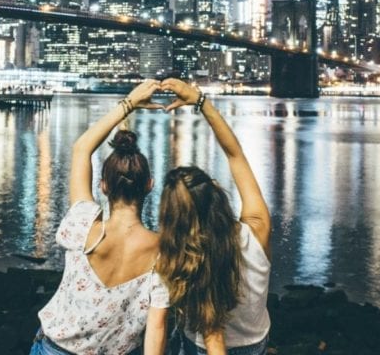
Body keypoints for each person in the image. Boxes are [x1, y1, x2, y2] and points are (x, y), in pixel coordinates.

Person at [33, 80, 169, 355]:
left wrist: (128, 103)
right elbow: (157, 328)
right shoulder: (164, 253)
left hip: (54, 349)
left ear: (103, 186)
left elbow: (82, 148)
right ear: (150, 185)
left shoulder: (82, 226)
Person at [155, 78, 272, 355]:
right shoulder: (257, 231)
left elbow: (213, 338)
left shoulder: (180, 256)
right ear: (216, 191)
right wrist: (201, 102)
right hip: (254, 343)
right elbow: (235, 155)